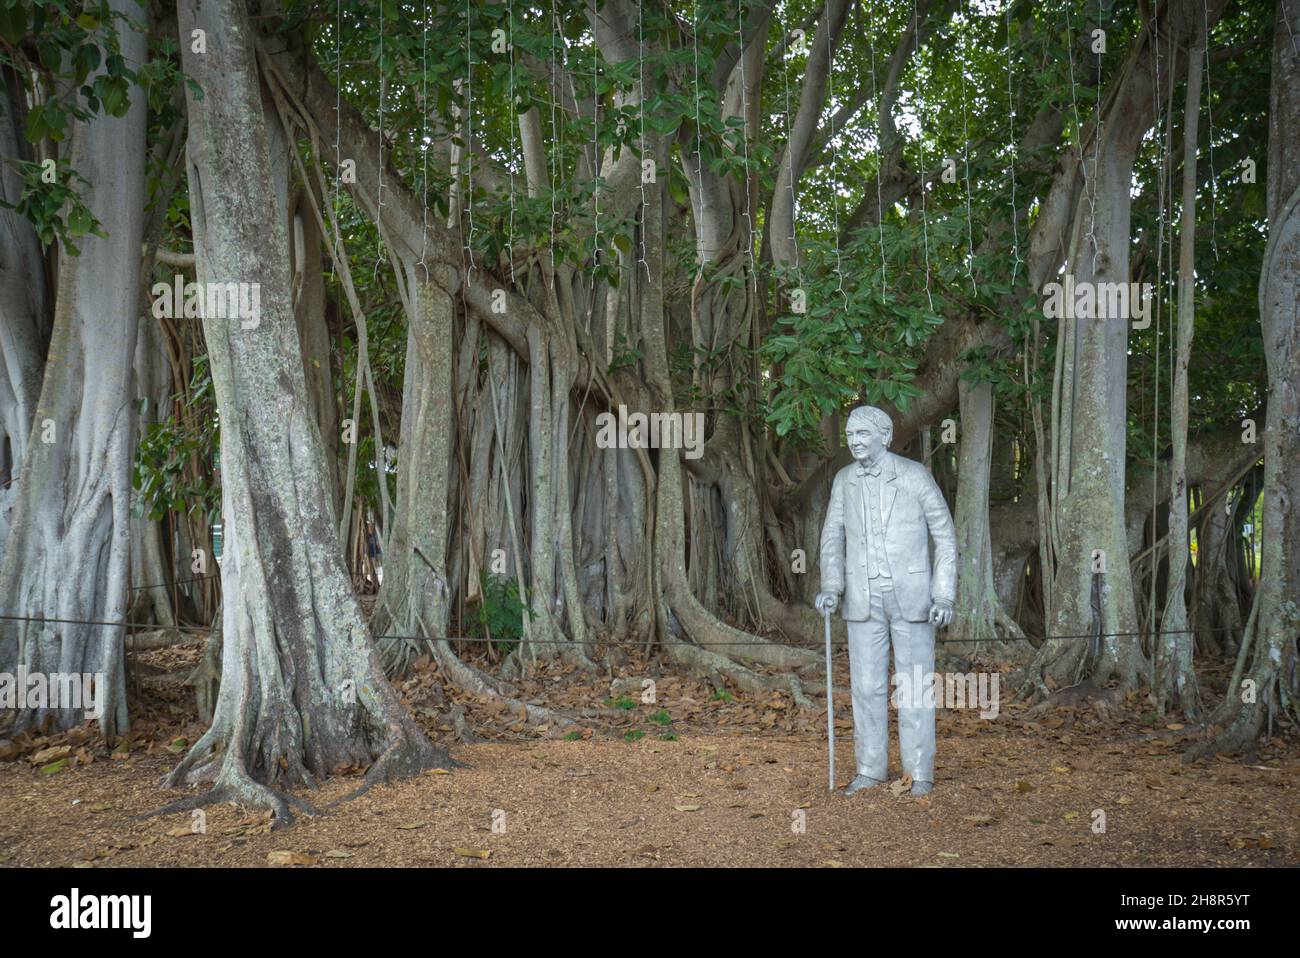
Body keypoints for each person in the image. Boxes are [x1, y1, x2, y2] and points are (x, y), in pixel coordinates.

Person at [815, 405, 956, 797]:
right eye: (850, 435)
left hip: (913, 598)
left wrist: (943, 593)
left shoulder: (914, 476)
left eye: (862, 434)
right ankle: (871, 768)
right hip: (862, 598)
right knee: (866, 687)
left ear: (885, 436)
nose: (855, 442)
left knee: (913, 686)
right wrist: (832, 586)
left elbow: (944, 535)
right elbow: (833, 537)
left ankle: (919, 771)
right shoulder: (844, 480)